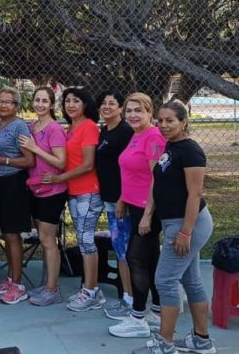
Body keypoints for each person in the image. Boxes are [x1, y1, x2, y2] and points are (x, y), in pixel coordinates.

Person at [136, 100, 215, 354]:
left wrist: (185, 232)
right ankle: (202, 341)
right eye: (160, 120)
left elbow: (195, 195)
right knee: (191, 280)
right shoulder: (171, 146)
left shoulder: (191, 151)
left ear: (183, 121)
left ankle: (164, 345)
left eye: (170, 120)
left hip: (187, 223)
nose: (164, 125)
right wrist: (149, 214)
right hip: (173, 222)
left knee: (165, 281)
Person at [109, 93, 166, 338]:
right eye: (129, 110)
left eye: (138, 111)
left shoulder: (153, 137)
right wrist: (122, 199)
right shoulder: (136, 134)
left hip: (148, 208)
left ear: (149, 112)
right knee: (150, 259)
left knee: (135, 258)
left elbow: (157, 178)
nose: (132, 114)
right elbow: (131, 172)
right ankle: (155, 310)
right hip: (134, 205)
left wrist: (147, 215)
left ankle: (138, 317)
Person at [42, 87, 103, 312]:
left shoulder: (88, 127)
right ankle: (87, 288)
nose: (71, 105)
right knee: (82, 239)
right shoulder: (70, 128)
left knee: (87, 241)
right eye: (67, 101)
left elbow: (88, 164)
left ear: (85, 104)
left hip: (88, 191)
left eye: (76, 101)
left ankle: (92, 291)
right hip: (74, 192)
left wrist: (59, 177)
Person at [0, 87, 34, 305]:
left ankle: (19, 285)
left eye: (9, 102)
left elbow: (29, 160)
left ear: (16, 105)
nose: (4, 105)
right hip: (0, 185)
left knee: (13, 235)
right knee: (6, 232)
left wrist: (1, 160)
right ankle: (10, 279)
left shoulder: (19, 126)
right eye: (0, 101)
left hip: (15, 183)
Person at [20, 87, 67, 306]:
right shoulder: (32, 126)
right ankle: (48, 284)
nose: (39, 104)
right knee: (43, 238)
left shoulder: (55, 129)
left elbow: (60, 162)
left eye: (44, 101)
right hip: (35, 188)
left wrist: (34, 148)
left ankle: (53, 289)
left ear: (51, 104)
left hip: (52, 191)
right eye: (37, 100)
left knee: (49, 240)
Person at [95, 91, 136, 321]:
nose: (107, 107)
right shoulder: (105, 131)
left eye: (112, 103)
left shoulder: (125, 133)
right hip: (109, 199)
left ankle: (131, 300)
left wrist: (122, 199)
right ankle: (128, 297)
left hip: (123, 201)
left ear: (120, 108)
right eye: (104, 103)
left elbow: (128, 169)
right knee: (120, 250)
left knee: (126, 251)